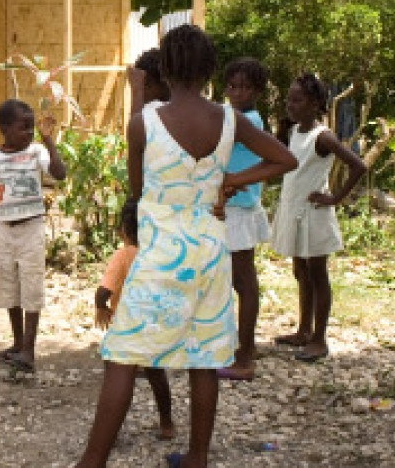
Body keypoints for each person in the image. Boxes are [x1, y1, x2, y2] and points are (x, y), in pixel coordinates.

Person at [75, 25, 295, 468]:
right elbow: (285, 159)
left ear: (166, 68)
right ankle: (197, 457)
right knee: (204, 356)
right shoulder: (230, 120)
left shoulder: (144, 124)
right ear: (211, 69)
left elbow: (137, 189)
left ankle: (92, 461)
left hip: (160, 255)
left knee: (122, 355)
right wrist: (230, 179)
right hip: (211, 253)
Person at [0, 99, 66, 374]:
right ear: (4, 128)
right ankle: (19, 344)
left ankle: (29, 352)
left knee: (31, 287)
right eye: (24, 128)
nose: (29, 133)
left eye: (32, 128)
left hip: (31, 229)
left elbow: (59, 173)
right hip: (4, 231)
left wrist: (49, 141)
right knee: (9, 287)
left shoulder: (36, 152)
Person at [270, 73, 367, 363]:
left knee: (318, 275)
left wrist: (335, 198)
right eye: (289, 99)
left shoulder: (322, 137)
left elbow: (358, 166)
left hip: (313, 215)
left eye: (297, 100)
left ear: (314, 103)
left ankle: (319, 339)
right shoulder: (294, 131)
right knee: (300, 272)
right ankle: (303, 330)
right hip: (294, 209)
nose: (290, 105)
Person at [94, 202, 174, 441]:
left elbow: (104, 290)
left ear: (123, 230)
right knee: (156, 375)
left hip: (127, 327)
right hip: (153, 324)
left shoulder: (123, 255)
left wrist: (101, 307)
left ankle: (112, 430)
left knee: (116, 375)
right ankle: (167, 423)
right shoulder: (158, 254)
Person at [218, 57, 273, 381]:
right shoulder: (241, 117)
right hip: (238, 207)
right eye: (232, 86)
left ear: (258, 91)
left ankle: (245, 354)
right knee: (240, 280)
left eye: (245, 87)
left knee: (244, 282)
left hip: (239, 209)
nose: (237, 92)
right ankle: (241, 345)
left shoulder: (245, 120)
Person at [126, 47, 170, 115]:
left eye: (144, 84)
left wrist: (137, 90)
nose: (143, 91)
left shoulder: (155, 108)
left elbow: (137, 124)